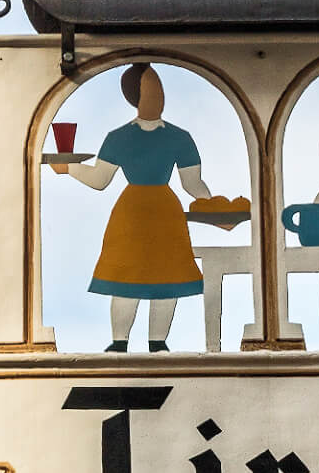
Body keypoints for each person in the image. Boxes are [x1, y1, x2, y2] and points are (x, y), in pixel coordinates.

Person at [51, 63, 212, 352]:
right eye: (151, 89)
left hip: (166, 214)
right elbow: (100, 179)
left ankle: (158, 342)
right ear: (135, 96)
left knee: (168, 279)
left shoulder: (179, 136)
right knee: (125, 279)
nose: (158, 96)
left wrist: (210, 203)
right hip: (131, 215)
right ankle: (119, 341)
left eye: (159, 89)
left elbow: (192, 182)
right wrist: (70, 169)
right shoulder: (119, 137)